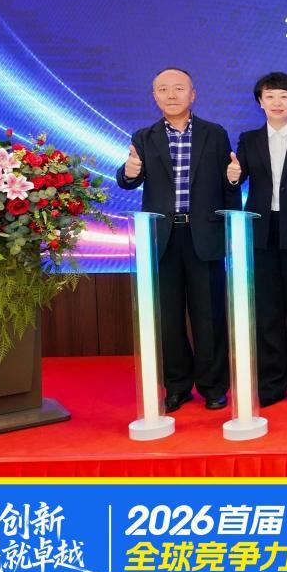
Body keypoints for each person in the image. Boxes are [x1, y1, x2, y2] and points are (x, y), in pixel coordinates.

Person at [116, 67, 238, 412]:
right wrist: (128, 173)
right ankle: (177, 386)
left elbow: (229, 184)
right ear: (154, 97)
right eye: (164, 89)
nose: (172, 95)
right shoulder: (144, 137)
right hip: (162, 239)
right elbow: (128, 178)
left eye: (179, 88)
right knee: (168, 318)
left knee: (209, 316)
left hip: (205, 235)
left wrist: (231, 219)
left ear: (193, 94)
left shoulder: (215, 134)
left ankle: (213, 386)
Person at [227, 72, 287, 407]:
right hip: (261, 233)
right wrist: (233, 176)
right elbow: (237, 179)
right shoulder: (249, 139)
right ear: (260, 102)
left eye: (284, 96)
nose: (277, 102)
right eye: (270, 96)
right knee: (266, 312)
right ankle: (271, 384)